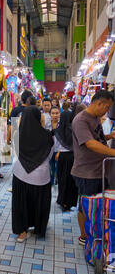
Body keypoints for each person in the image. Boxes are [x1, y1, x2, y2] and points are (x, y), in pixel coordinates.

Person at [71, 90, 115, 246]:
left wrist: (110, 136)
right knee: (85, 206)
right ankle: (84, 236)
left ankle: (95, 232)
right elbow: (90, 143)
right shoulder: (81, 120)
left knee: (99, 205)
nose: (107, 111)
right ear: (99, 103)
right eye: (107, 107)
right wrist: (113, 152)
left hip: (100, 170)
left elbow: (98, 138)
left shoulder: (95, 118)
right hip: (86, 173)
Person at [12, 106, 54, 242]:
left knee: (21, 204)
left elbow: (16, 153)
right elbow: (49, 155)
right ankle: (39, 228)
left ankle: (22, 232)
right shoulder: (48, 136)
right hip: (41, 176)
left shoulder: (17, 135)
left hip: (20, 173)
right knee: (40, 203)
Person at [55, 107, 82, 212]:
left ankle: (62, 200)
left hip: (62, 157)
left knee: (62, 179)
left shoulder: (58, 130)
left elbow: (56, 145)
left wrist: (58, 152)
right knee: (71, 180)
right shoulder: (75, 130)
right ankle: (70, 202)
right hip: (73, 157)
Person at [50, 106, 61, 185]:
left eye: (57, 113)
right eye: (53, 113)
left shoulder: (61, 125)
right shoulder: (47, 124)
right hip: (49, 151)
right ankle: (51, 184)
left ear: (59, 114)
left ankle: (57, 183)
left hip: (59, 151)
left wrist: (59, 152)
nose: (55, 115)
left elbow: (63, 141)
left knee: (58, 170)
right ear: (50, 114)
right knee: (51, 169)